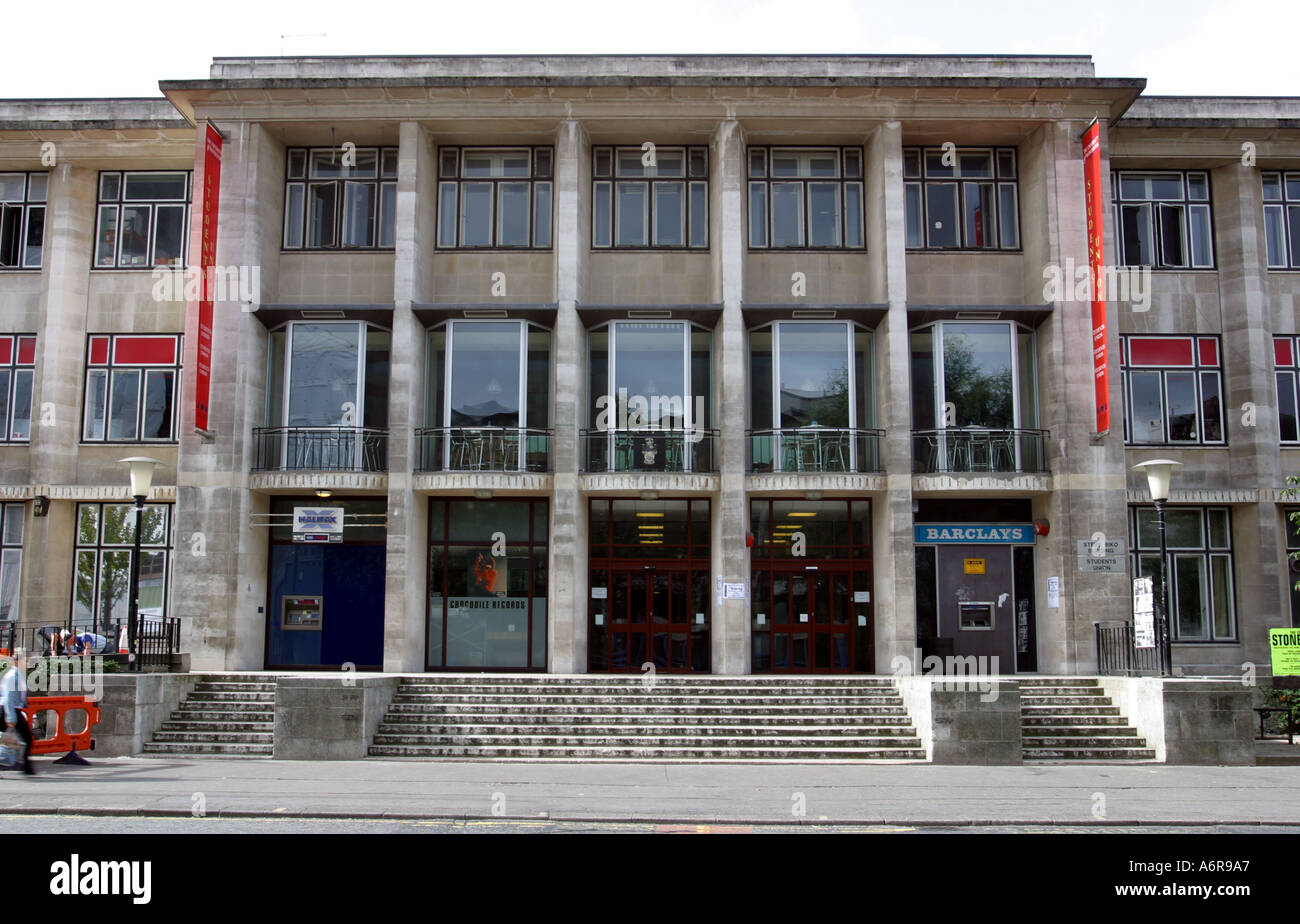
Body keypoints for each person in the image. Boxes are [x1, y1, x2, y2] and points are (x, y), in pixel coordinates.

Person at [0, 648, 34, 774]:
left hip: (12, 710)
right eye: (24, 661)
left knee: (25, 738)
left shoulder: (19, 675)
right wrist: (11, 718)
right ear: (16, 661)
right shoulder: (12, 676)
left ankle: (26, 766)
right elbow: (8, 698)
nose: (26, 663)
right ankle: (26, 767)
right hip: (7, 710)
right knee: (26, 738)